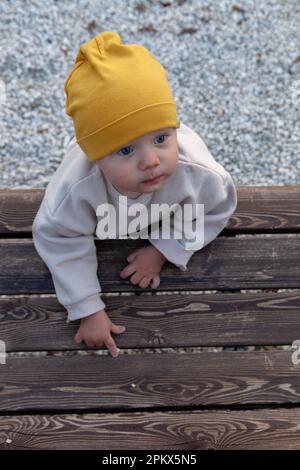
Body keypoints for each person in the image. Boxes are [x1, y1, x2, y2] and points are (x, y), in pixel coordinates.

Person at [32, 31, 238, 358]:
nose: (151, 161)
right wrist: (87, 307)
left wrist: (164, 247)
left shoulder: (196, 172)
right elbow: (58, 236)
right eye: (126, 149)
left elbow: (217, 207)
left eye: (161, 138)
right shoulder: (78, 187)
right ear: (96, 158)